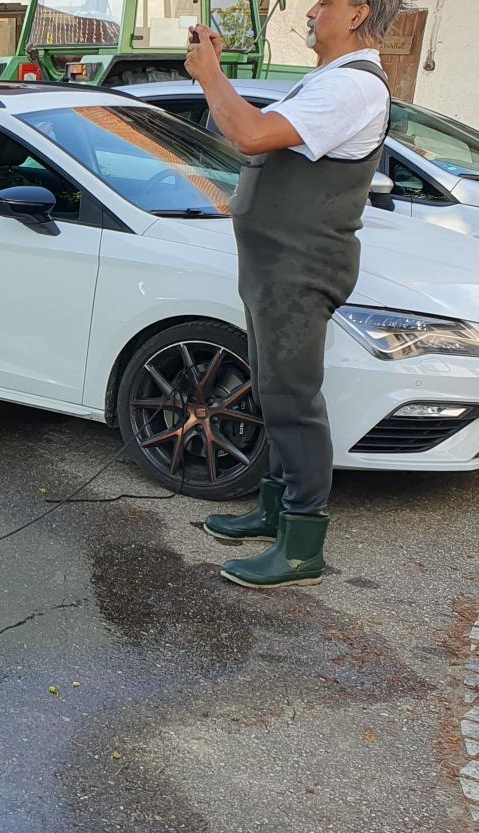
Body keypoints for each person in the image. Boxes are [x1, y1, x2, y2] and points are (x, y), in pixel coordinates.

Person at [183, 0, 407, 589]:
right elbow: (244, 136)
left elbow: (252, 133)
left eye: (324, 2)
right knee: (272, 386)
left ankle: (303, 544)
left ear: (357, 13)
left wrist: (211, 75)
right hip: (274, 265)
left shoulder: (354, 87)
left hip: (299, 268)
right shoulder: (327, 81)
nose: (309, 10)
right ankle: (274, 510)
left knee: (294, 398)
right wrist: (218, 78)